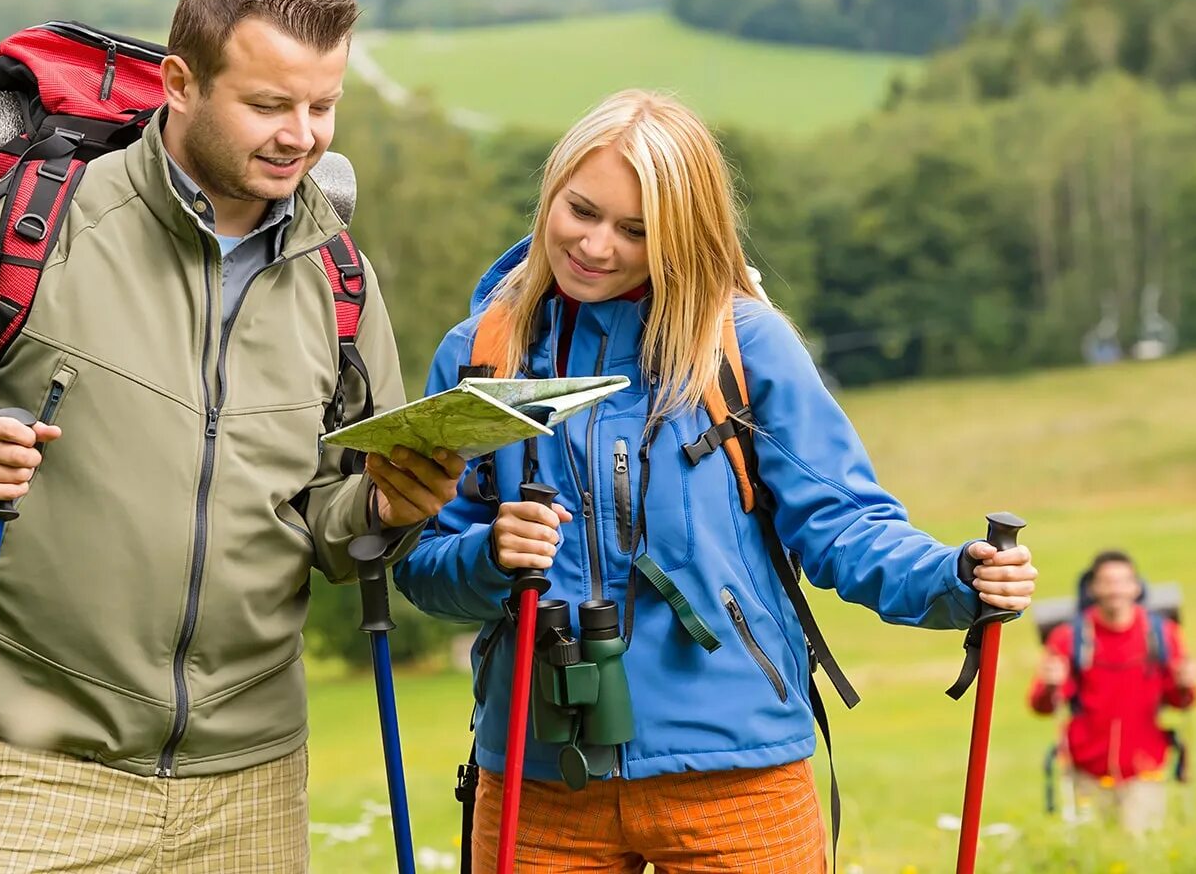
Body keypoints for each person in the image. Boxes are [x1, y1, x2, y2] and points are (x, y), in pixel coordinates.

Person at [0, 0, 464, 870]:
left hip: (255, 777)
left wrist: (384, 510)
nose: (302, 137)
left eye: (322, 107)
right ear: (179, 83)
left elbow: (328, 518)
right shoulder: (25, 227)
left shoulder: (339, 278)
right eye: (269, 106)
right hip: (33, 768)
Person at [393, 89, 1039, 871]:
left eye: (636, 230)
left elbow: (842, 525)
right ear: (550, 193)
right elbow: (422, 562)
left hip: (738, 769)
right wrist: (490, 557)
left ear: (682, 233)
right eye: (581, 211)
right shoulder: (481, 355)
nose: (596, 246)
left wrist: (954, 575)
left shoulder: (747, 346)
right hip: (538, 773)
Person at [1028, 550, 1196, 837]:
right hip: (1086, 770)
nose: (1115, 590)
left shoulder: (1161, 633)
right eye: (1107, 582)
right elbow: (1042, 705)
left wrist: (1187, 683)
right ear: (1093, 588)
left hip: (1144, 770)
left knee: (1139, 857)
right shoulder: (1070, 637)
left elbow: (1180, 701)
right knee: (1091, 857)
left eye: (1122, 581)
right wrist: (1050, 683)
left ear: (1136, 587)